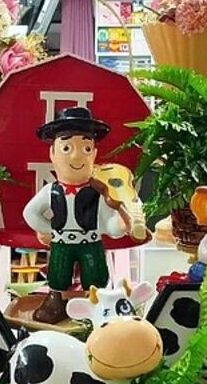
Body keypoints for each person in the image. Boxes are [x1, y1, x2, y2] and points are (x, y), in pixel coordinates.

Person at [23, 107, 128, 323]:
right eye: (66, 147)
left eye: (86, 148)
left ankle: (96, 303)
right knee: (58, 272)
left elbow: (110, 224)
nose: (76, 156)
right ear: (52, 154)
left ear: (94, 154)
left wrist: (120, 223)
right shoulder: (51, 191)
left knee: (95, 273)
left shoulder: (101, 192)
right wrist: (49, 229)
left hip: (91, 242)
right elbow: (30, 213)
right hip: (62, 241)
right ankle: (56, 300)